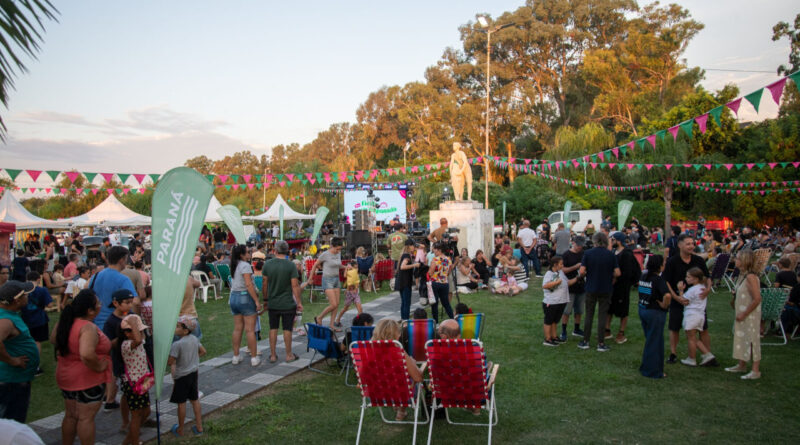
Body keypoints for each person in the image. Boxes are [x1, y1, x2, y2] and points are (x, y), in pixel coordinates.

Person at [52, 289, 111, 445]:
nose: (101, 306)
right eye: (98, 304)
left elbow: (53, 340)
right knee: (85, 418)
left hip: (66, 376)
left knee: (71, 416)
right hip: (87, 379)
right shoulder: (87, 327)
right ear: (90, 311)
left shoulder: (65, 321)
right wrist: (98, 366)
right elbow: (86, 354)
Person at [662, 234, 712, 365]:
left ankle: (707, 354)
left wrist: (707, 289)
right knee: (674, 327)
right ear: (680, 245)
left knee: (703, 328)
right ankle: (673, 353)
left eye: (692, 243)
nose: (691, 246)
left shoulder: (699, 261)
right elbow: (666, 281)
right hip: (678, 299)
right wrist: (676, 297)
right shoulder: (673, 261)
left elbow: (707, 277)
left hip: (696, 303)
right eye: (688, 244)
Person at [0, 280, 38, 423]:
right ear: (16, 300)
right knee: (11, 422)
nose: (28, 297)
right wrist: (11, 360)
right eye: (25, 295)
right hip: (10, 382)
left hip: (15, 380)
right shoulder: (5, 320)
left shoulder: (9, 314)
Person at [370, 318, 423, 421]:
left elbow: (361, 382)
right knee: (408, 380)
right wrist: (413, 363)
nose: (399, 335)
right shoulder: (398, 352)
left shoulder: (368, 353)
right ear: (394, 335)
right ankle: (401, 410)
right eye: (398, 332)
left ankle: (397, 406)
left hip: (377, 395)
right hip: (403, 395)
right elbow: (417, 378)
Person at [262, 240, 304, 363]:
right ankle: (288, 354)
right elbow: (295, 286)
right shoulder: (290, 265)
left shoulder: (268, 264)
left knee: (273, 328)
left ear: (275, 250)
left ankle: (273, 355)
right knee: (287, 329)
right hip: (287, 303)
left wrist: (265, 299)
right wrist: (299, 302)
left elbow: (265, 284)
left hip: (273, 302)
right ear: (287, 251)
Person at [577, 232, 620, 352]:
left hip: (591, 287)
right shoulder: (611, 255)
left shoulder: (588, 253)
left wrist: (587, 273)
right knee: (602, 316)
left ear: (594, 241)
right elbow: (617, 273)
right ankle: (601, 343)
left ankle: (585, 341)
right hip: (606, 288)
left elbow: (581, 271)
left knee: (589, 315)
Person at [725, 250, 763, 380]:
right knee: (742, 337)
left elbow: (757, 298)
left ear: (744, 261)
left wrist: (744, 313)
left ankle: (755, 370)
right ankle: (742, 364)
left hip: (750, 314)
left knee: (752, 339)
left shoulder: (751, 277)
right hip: (742, 312)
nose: (735, 260)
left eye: (738, 258)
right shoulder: (743, 276)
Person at [168, 316, 206, 437]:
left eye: (178, 326)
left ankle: (180, 429)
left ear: (185, 330)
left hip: (181, 376)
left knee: (181, 402)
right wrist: (193, 359)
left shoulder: (177, 345)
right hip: (193, 373)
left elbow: (170, 361)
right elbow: (203, 351)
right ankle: (199, 427)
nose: (175, 328)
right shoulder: (194, 339)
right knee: (195, 400)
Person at [117, 314, 151, 445]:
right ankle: (134, 441)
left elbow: (139, 339)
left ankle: (128, 440)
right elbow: (137, 340)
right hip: (134, 384)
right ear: (127, 333)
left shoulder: (138, 341)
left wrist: (135, 324)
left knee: (146, 412)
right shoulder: (127, 345)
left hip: (142, 382)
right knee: (136, 416)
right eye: (138, 330)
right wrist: (132, 322)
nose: (141, 333)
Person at [102, 289, 134, 424]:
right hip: (121, 360)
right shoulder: (111, 322)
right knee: (127, 392)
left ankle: (140, 415)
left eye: (131, 302)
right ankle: (126, 421)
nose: (130, 305)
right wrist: (121, 336)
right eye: (127, 303)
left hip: (135, 360)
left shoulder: (131, 315)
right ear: (116, 303)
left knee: (138, 390)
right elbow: (107, 344)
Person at [637, 255, 670, 379]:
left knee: (650, 340)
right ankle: (653, 371)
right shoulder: (658, 279)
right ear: (659, 266)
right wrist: (664, 305)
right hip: (654, 312)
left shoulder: (643, 276)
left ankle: (646, 366)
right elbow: (667, 296)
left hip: (643, 308)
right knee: (655, 342)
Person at [605, 232, 641, 344]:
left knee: (623, 310)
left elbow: (630, 272)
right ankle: (607, 330)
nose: (611, 241)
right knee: (609, 308)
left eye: (613, 239)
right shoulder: (613, 252)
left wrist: (620, 279)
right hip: (612, 286)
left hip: (622, 286)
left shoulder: (627, 254)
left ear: (619, 241)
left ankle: (621, 332)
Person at [229, 244, 261, 366]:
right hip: (245, 297)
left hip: (234, 297)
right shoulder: (245, 266)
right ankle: (253, 358)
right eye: (247, 252)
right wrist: (257, 301)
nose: (250, 254)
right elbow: (249, 285)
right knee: (250, 330)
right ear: (242, 254)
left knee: (237, 329)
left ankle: (236, 356)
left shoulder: (234, 265)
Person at [678, 268, 716, 367]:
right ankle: (706, 354)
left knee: (691, 338)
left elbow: (683, 300)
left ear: (695, 279)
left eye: (688, 277)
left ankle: (692, 358)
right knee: (693, 337)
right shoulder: (702, 288)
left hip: (692, 315)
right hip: (700, 315)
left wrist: (681, 290)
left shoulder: (692, 290)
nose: (686, 279)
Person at [307, 238, 346, 332]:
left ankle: (332, 325)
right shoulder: (325, 254)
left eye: (340, 249)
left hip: (336, 279)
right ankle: (319, 317)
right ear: (332, 246)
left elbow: (338, 265)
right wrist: (310, 278)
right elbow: (315, 265)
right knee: (333, 304)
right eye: (337, 249)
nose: (338, 251)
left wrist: (346, 266)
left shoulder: (338, 253)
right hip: (327, 280)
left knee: (336, 304)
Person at [542, 256, 581, 346]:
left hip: (561, 301)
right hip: (551, 302)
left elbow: (567, 283)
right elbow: (545, 285)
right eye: (561, 264)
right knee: (549, 320)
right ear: (555, 264)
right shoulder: (549, 273)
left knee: (555, 321)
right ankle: (547, 339)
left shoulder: (560, 272)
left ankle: (554, 336)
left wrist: (578, 278)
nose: (563, 265)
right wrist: (556, 282)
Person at [20, 272, 51, 376]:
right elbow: (50, 304)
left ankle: (24, 363)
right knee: (37, 342)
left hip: (24, 319)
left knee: (25, 341)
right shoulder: (42, 290)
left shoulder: (22, 290)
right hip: (39, 319)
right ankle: (35, 367)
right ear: (38, 279)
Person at [560, 236, 586, 341]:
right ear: (573, 243)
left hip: (581, 285)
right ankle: (564, 331)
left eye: (581, 246)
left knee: (579, 310)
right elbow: (563, 270)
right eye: (578, 245)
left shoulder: (584, 253)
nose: (580, 247)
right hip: (569, 286)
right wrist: (575, 267)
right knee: (567, 311)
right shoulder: (566, 255)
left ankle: (576, 328)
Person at [429, 242, 455, 323]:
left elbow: (430, 273)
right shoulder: (448, 259)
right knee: (446, 303)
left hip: (435, 283)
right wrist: (443, 276)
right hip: (445, 283)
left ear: (439, 250)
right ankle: (453, 319)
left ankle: (435, 322)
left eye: (435, 250)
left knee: (434, 304)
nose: (434, 252)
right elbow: (449, 271)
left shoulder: (435, 259)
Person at [395, 239, 419, 320]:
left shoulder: (403, 254)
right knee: (407, 303)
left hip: (401, 282)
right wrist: (415, 265)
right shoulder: (406, 256)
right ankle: (406, 321)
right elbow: (403, 266)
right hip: (405, 283)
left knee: (404, 303)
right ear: (409, 246)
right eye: (413, 246)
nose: (414, 247)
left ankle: (403, 320)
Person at [335, 260, 362, 327]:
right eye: (356, 266)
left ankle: (358, 322)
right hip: (349, 293)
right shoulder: (349, 272)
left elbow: (357, 281)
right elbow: (344, 275)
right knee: (345, 308)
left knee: (360, 309)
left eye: (357, 266)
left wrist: (356, 288)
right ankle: (337, 320)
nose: (357, 267)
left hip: (355, 293)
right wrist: (347, 268)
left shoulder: (356, 271)